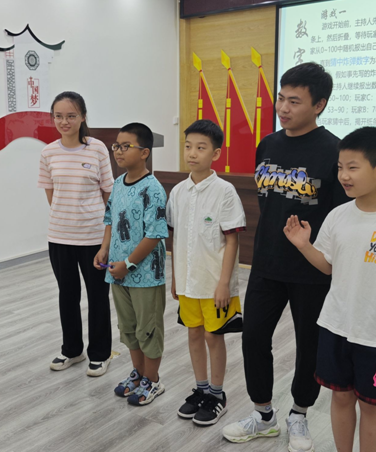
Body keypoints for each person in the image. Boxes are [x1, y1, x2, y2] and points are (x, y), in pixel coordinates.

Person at [223, 62, 349, 451]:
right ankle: (263, 415)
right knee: (253, 338)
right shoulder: (268, 145)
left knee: (309, 345)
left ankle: (299, 414)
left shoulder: (334, 151)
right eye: (281, 98)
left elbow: (342, 218)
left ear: (319, 105)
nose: (283, 108)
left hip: (312, 268)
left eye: (294, 101)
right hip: (266, 263)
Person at [284, 127, 376, 452]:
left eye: (353, 167)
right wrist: (304, 245)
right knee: (340, 397)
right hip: (335, 326)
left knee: (371, 406)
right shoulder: (338, 215)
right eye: (340, 167)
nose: (343, 176)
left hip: (375, 336)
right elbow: (328, 266)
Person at [167, 119, 245, 426]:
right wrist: (175, 277)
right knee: (194, 333)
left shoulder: (225, 191)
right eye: (188, 146)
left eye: (201, 148)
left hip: (214, 283)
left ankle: (217, 394)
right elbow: (176, 238)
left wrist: (225, 283)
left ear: (215, 154)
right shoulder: (178, 192)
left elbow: (232, 240)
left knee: (214, 336)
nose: (192, 153)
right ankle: (200, 390)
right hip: (188, 281)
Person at [37, 91, 114, 376]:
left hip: (93, 238)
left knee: (97, 296)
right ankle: (72, 350)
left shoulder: (97, 148)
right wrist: (67, 216)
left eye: (71, 115)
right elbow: (51, 194)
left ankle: (100, 353)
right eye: (59, 116)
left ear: (82, 117)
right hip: (59, 237)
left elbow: (108, 193)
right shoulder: (48, 153)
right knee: (67, 295)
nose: (64, 121)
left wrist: (104, 234)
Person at [93, 122, 168, 406]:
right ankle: (138, 374)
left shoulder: (153, 189)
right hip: (117, 272)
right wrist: (104, 249)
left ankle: (153, 380)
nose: (118, 151)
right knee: (129, 328)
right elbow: (109, 219)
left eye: (126, 146)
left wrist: (128, 263)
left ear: (145, 152)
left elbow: (155, 234)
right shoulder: (117, 183)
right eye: (116, 146)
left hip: (145, 274)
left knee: (148, 329)